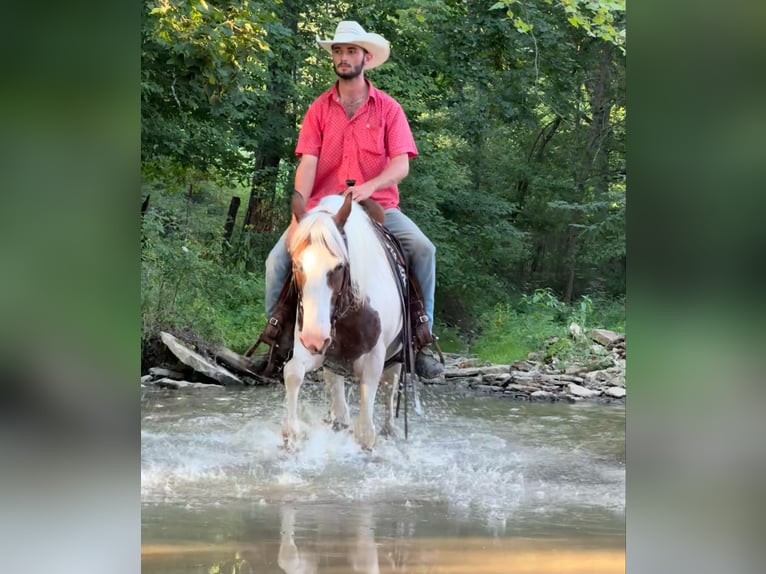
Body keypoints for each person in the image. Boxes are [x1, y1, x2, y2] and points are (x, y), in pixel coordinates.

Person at [262, 20, 443, 379]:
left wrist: (369, 186)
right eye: (338, 51)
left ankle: (419, 337)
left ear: (366, 57)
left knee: (423, 249)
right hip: (324, 211)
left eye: (350, 51)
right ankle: (277, 338)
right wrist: (301, 211)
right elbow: (308, 163)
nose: (343, 57)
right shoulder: (318, 109)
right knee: (277, 260)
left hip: (378, 206)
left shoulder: (389, 109)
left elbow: (401, 165)